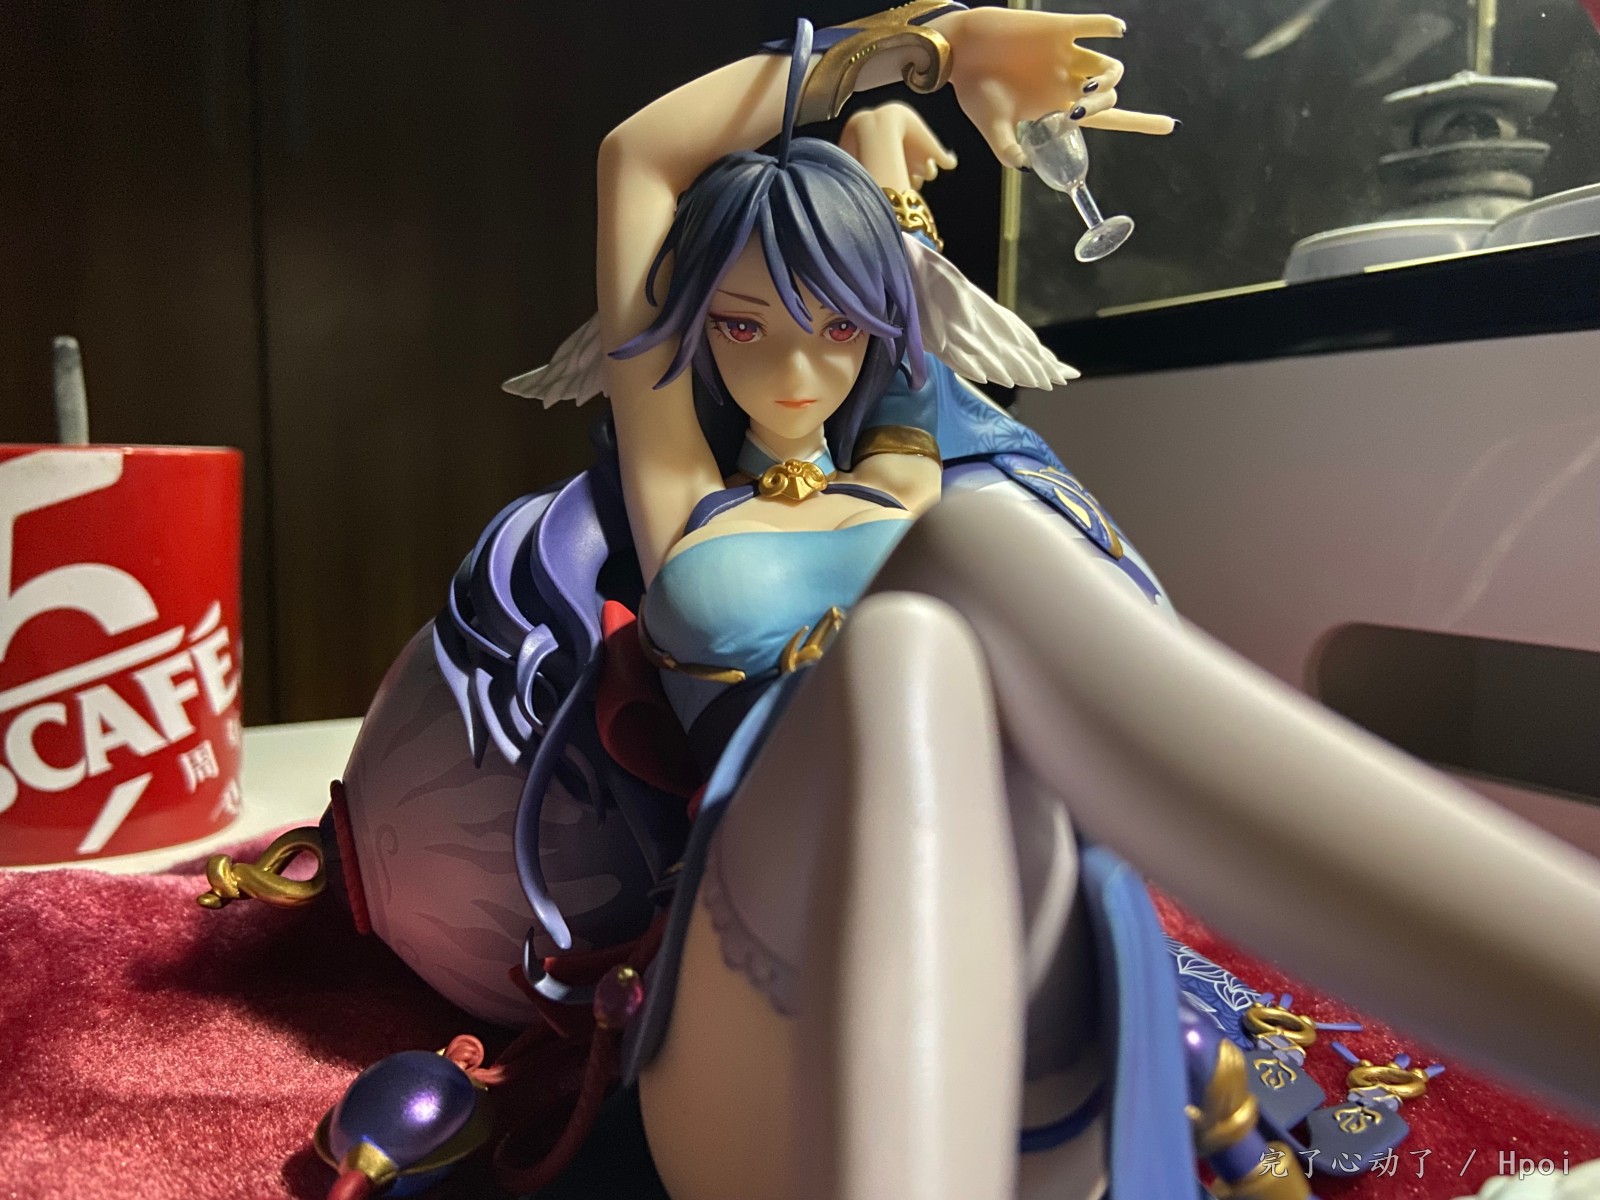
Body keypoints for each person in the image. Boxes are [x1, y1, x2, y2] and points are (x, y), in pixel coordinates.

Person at [295, 8, 1600, 1198]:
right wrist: (928, 49)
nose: (795, 366)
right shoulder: (678, 488)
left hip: (977, 930)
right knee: (952, 582)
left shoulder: (914, 459)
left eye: (837, 329)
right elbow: (637, 156)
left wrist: (890, 169)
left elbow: (924, 357)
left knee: (935, 616)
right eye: (744, 327)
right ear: (697, 330)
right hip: (764, 947)